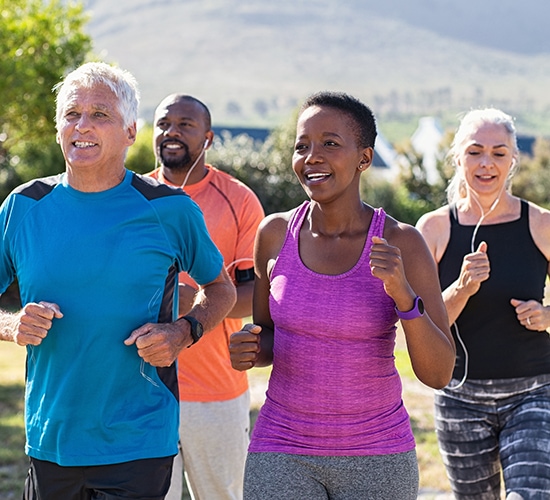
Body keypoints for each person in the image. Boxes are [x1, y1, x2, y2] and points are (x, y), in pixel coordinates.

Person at [0, 62, 236, 500]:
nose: (82, 126)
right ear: (58, 130)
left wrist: (184, 331)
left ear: (130, 132)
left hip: (139, 439)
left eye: (100, 114)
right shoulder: (22, 206)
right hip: (50, 439)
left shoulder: (170, 209)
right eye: (72, 114)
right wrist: (12, 326)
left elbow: (221, 288)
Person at [228, 91, 456, 499]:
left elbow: (438, 373)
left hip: (376, 454)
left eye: (330, 143)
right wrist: (250, 347)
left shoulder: (403, 241)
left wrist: (403, 295)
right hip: (282, 447)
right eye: (302, 146)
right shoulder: (274, 234)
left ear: (364, 158)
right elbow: (268, 337)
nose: (311, 156)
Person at [416, 108, 550, 499]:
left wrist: (546, 316)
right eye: (475, 152)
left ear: (512, 160)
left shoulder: (540, 223)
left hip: (534, 392)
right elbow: (419, 323)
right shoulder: (434, 228)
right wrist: (460, 287)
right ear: (458, 157)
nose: (486, 163)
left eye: (498, 152)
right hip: (459, 398)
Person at [148, 94, 265, 500]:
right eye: (164, 124)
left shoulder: (239, 200)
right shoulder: (131, 198)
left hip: (216, 391)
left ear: (208, 137)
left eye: (185, 124)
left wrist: (195, 300)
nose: (172, 132)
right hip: (142, 389)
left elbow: (257, 296)